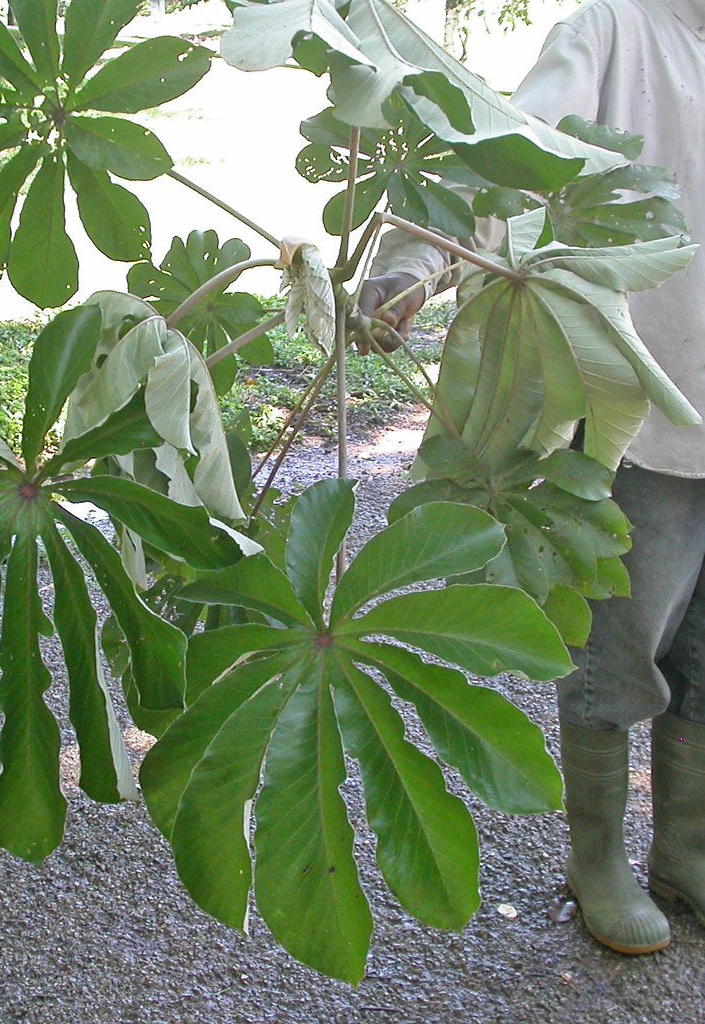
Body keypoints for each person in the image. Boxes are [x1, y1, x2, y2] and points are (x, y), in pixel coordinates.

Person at [357, 0, 705, 955]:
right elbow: (500, 158)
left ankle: (685, 853)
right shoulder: (610, 29)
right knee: (618, 661)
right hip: (635, 407)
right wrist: (412, 264)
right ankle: (597, 861)